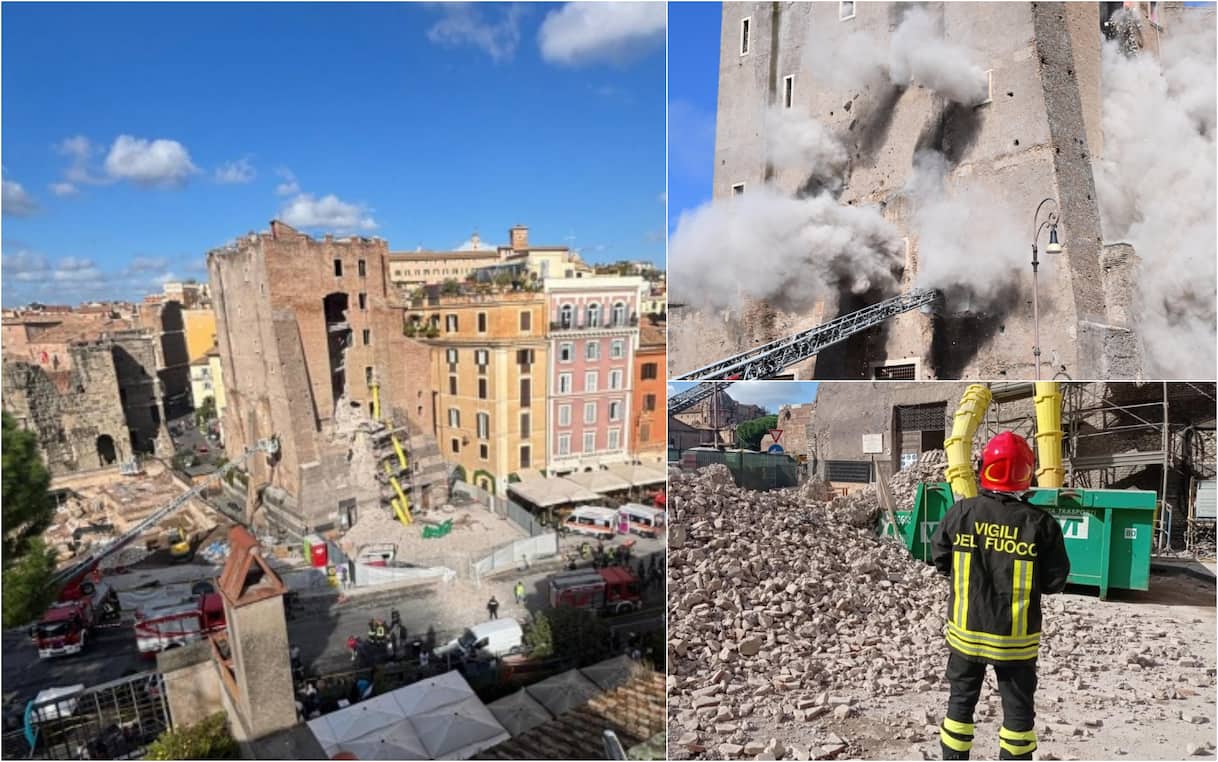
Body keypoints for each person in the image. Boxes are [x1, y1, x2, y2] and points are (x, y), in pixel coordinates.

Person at [930, 432, 1071, 761]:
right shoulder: (1040, 523)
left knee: (960, 706)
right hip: (1016, 642)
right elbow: (1054, 582)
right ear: (1027, 473)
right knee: (1018, 715)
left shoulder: (961, 513)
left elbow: (940, 561)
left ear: (984, 468)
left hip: (966, 635)